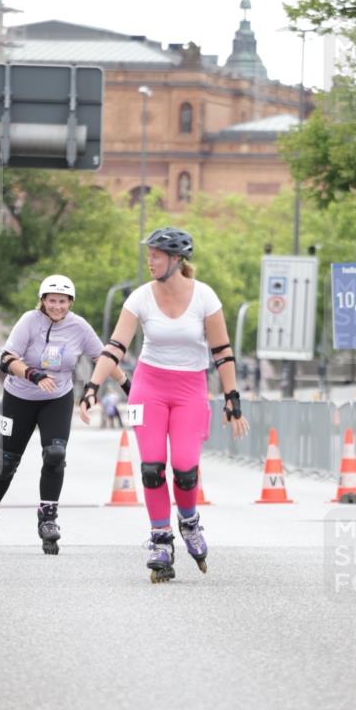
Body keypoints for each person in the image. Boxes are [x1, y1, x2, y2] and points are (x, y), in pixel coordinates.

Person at [79, 227, 249, 583]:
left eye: (156, 255)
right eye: (149, 254)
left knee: (186, 470)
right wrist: (92, 386)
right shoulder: (140, 298)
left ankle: (188, 522)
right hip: (148, 387)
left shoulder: (205, 297)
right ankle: (160, 539)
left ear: (176, 259)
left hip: (190, 390)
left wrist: (232, 399)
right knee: (152, 469)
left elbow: (222, 352)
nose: (150, 261)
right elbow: (114, 347)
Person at [0, 274, 130, 555]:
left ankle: (48, 517)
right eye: (52, 300)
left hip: (57, 399)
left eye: (62, 301)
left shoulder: (79, 327)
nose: (57, 306)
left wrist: (127, 386)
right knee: (7, 461)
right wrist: (33, 373)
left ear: (70, 302)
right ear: (42, 300)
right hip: (19, 397)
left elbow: (104, 359)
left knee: (55, 454)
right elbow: (6, 358)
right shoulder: (29, 321)